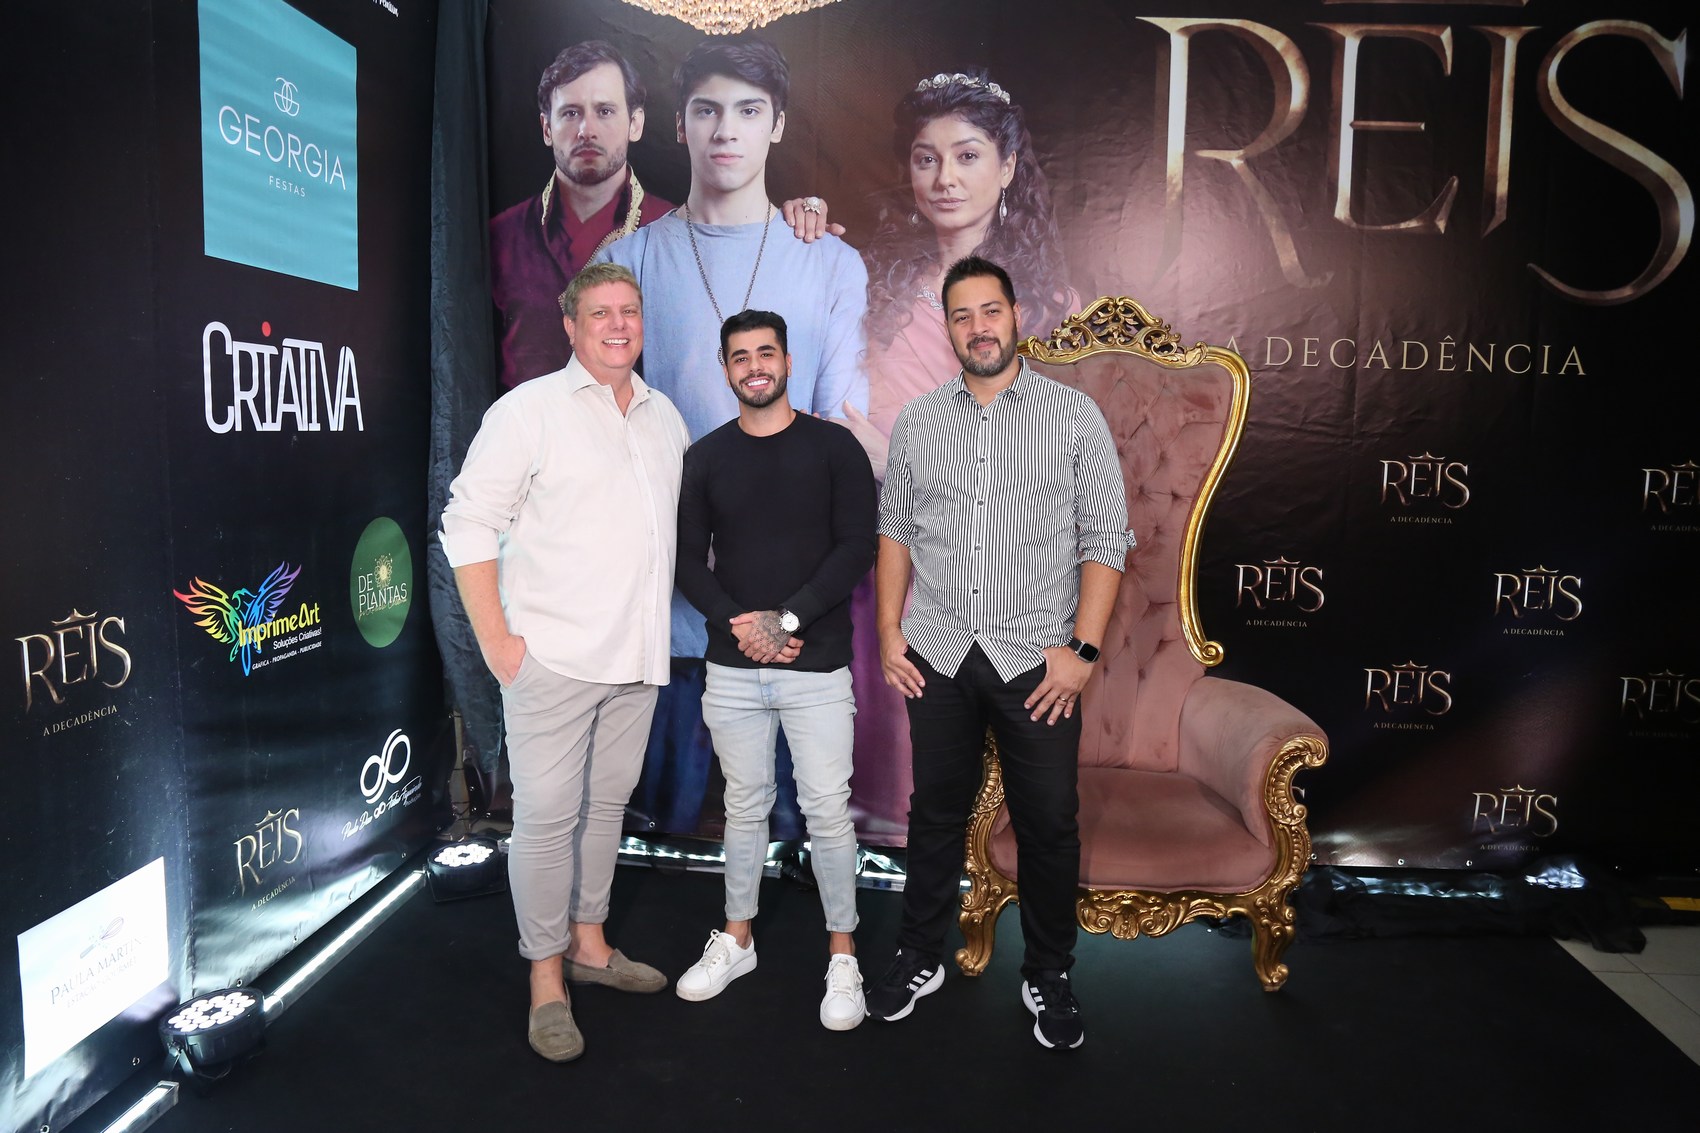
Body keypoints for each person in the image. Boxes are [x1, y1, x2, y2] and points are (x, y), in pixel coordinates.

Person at [600, 34, 870, 834]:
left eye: (749, 111)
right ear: (679, 125)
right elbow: (604, 430)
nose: (726, 130)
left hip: (793, 612)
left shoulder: (830, 262)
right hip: (668, 606)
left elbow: (839, 430)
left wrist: (785, 608)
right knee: (658, 837)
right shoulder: (629, 261)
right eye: (706, 110)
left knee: (794, 833)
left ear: (777, 124)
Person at [865, 256, 1134, 1051]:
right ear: (947, 328)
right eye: (961, 315)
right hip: (939, 651)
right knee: (934, 813)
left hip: (1037, 662)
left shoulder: (1074, 417)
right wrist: (888, 631)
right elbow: (895, 531)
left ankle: (1048, 970)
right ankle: (920, 953)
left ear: (1016, 315)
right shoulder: (919, 422)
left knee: (1049, 822)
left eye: (990, 310)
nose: (978, 327)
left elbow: (1106, 537)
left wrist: (1082, 651)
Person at [440, 262, 689, 1062]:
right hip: (550, 660)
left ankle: (589, 943)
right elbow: (466, 522)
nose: (618, 324)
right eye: (601, 312)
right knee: (547, 822)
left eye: (629, 311)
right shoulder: (528, 411)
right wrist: (497, 643)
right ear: (571, 325)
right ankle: (546, 979)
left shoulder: (664, 417)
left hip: (636, 661)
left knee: (605, 809)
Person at [843, 68, 1076, 842]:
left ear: (1007, 167)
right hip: (869, 553)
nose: (945, 177)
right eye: (926, 158)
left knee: (939, 788)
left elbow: (1037, 466)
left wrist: (896, 459)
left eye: (967, 156)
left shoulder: (1045, 306)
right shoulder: (872, 278)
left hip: (975, 572)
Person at [671, 310, 877, 1030]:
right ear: (725, 368)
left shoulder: (835, 447)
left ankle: (843, 954)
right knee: (744, 805)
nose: (754, 366)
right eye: (740, 356)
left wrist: (784, 622)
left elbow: (856, 547)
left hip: (815, 667)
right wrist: (743, 625)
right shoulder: (706, 457)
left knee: (827, 809)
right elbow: (686, 561)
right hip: (732, 669)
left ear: (788, 361)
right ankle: (737, 938)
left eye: (766, 353)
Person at [490, 40, 842, 389]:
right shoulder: (500, 236)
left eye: (605, 111)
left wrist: (797, 220)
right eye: (570, 113)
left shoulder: (666, 231)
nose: (587, 130)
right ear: (546, 127)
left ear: (636, 123)